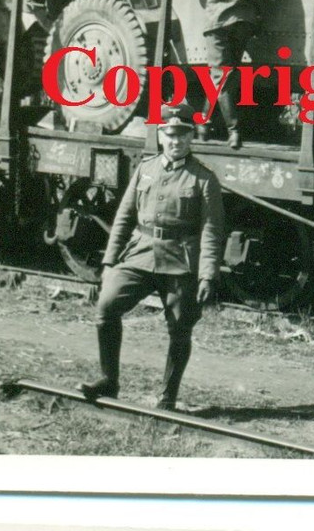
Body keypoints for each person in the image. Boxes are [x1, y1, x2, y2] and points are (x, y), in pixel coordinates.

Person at [79, 102, 226, 411]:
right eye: (170, 135)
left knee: (180, 326)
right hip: (141, 254)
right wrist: (109, 262)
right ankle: (108, 380)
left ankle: (167, 398)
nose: (176, 141)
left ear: (191, 137)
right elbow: (124, 218)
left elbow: (212, 231)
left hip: (180, 261)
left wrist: (207, 275)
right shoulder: (145, 169)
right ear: (161, 135)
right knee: (106, 308)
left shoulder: (204, 179)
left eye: (182, 135)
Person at [160, 0, 281, 149]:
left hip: (218, 20)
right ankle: (203, 124)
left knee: (220, 76)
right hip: (245, 21)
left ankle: (233, 131)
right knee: (226, 76)